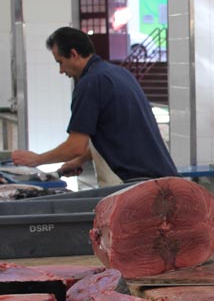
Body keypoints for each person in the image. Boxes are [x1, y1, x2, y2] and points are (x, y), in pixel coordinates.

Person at [11, 27, 177, 185]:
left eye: (60, 62)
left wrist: (36, 159)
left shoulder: (89, 84)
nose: (61, 71)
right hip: (165, 178)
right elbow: (116, 134)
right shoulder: (119, 73)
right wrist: (79, 160)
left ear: (74, 54)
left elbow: (75, 146)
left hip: (141, 184)